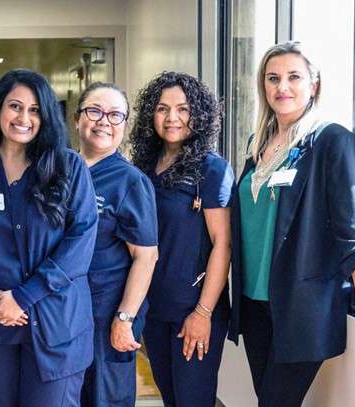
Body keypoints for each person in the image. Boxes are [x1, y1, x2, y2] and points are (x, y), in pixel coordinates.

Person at [228, 41, 355, 407]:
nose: (281, 87)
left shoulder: (331, 140)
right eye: (272, 78)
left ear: (313, 84)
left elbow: (349, 224)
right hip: (253, 302)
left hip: (301, 306)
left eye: (293, 77)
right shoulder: (259, 144)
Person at [0, 69, 98, 407]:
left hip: (54, 324)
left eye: (34, 110)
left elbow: (81, 241)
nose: (24, 118)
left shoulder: (68, 166)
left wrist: (24, 296)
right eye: (15, 106)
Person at [129, 71, 233, 407]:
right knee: (171, 398)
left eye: (183, 109)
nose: (172, 117)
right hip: (154, 308)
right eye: (162, 109)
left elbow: (223, 244)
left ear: (198, 114)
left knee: (193, 400)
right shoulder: (143, 168)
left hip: (194, 310)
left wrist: (203, 313)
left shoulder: (211, 169)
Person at [75, 83, 159, 407]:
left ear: (124, 124)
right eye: (94, 111)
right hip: (65, 310)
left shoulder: (130, 181)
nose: (103, 121)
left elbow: (146, 257)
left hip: (106, 312)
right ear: (78, 118)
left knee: (105, 398)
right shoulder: (61, 170)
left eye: (114, 115)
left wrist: (124, 319)